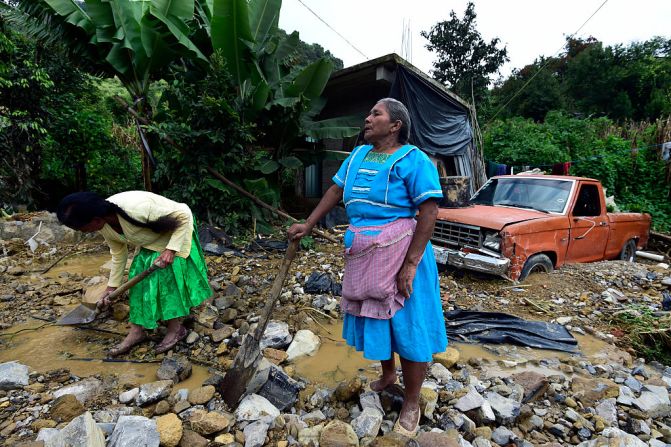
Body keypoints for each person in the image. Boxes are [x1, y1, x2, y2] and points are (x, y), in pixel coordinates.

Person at [288, 98, 447, 436]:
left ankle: (412, 400)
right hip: (364, 250)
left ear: (395, 125)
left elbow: (429, 213)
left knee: (406, 324)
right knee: (376, 316)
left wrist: (411, 265)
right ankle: (389, 375)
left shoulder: (415, 160)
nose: (368, 118)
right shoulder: (358, 155)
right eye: (369, 112)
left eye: (377, 113)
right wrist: (309, 224)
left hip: (402, 251)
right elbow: (335, 189)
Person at [57, 191, 212, 356]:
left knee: (166, 279)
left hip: (176, 231)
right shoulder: (104, 223)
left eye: (82, 228)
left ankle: (176, 329)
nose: (84, 232)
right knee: (137, 281)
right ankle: (137, 331)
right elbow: (118, 253)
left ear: (95, 220)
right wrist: (111, 288)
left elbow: (184, 215)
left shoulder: (137, 209)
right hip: (150, 240)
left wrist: (171, 250)